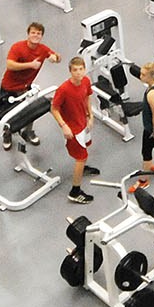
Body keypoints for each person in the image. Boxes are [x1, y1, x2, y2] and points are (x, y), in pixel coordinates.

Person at [0, 22, 60, 143]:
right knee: (8, 116)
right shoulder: (17, 47)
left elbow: (57, 57)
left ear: (41, 36)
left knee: (31, 111)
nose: (36, 35)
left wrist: (55, 58)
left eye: (38, 33)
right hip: (9, 88)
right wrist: (30, 65)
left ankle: (28, 132)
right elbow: (10, 65)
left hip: (26, 88)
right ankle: (7, 135)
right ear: (28, 34)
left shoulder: (43, 49)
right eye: (33, 33)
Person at [51, 55, 97, 202]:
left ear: (84, 69)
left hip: (83, 123)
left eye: (81, 69)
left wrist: (90, 116)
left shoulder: (86, 81)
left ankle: (82, 169)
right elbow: (54, 109)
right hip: (73, 130)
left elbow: (87, 97)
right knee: (81, 157)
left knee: (84, 151)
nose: (78, 72)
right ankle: (75, 191)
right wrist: (64, 126)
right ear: (70, 71)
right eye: (75, 70)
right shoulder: (63, 89)